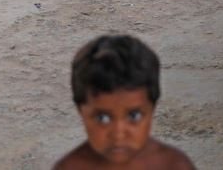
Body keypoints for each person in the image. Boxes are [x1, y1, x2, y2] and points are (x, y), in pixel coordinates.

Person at [53, 35, 196, 170]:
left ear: (152, 108)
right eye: (102, 118)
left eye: (134, 116)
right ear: (80, 110)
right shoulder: (70, 167)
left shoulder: (173, 165)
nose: (118, 134)